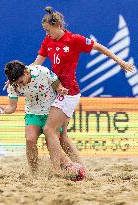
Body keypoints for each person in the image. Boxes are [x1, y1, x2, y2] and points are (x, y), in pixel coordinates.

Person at [31, 6, 135, 169]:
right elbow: (36, 65)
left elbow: (99, 47)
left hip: (69, 92)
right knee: (62, 136)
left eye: (48, 30)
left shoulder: (74, 39)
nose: (46, 34)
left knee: (49, 129)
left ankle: (57, 170)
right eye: (44, 31)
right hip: (57, 90)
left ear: (58, 25)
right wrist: (17, 78)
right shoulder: (48, 41)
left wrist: (120, 61)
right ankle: (80, 168)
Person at [0, 60, 83, 178]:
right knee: (30, 140)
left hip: (52, 111)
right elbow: (12, 106)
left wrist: (61, 89)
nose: (20, 85)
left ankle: (72, 167)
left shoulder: (42, 71)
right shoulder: (13, 84)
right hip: (33, 113)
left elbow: (57, 85)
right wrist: (4, 110)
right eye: (17, 83)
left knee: (59, 140)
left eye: (21, 82)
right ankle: (34, 173)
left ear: (25, 72)